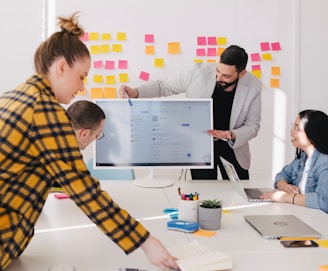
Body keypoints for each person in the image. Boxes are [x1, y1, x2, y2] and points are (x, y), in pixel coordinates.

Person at [0, 13, 178, 271]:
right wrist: (147, 243)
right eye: (82, 76)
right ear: (61, 67)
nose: (82, 88)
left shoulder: (14, 96)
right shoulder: (44, 111)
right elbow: (85, 192)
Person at [120, 45, 262, 180]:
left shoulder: (253, 85)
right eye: (217, 71)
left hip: (232, 147)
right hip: (200, 145)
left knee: (240, 195)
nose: (219, 78)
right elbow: (164, 86)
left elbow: (252, 125)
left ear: (241, 73)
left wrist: (231, 135)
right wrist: (136, 92)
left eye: (226, 76)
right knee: (204, 196)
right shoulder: (197, 71)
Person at [260, 110, 328, 213]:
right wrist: (284, 186)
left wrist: (287, 197)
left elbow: (323, 201)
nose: (291, 132)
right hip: (303, 215)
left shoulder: (325, 163)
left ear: (313, 133)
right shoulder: (303, 158)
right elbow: (282, 175)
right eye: (293, 127)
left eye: (297, 128)